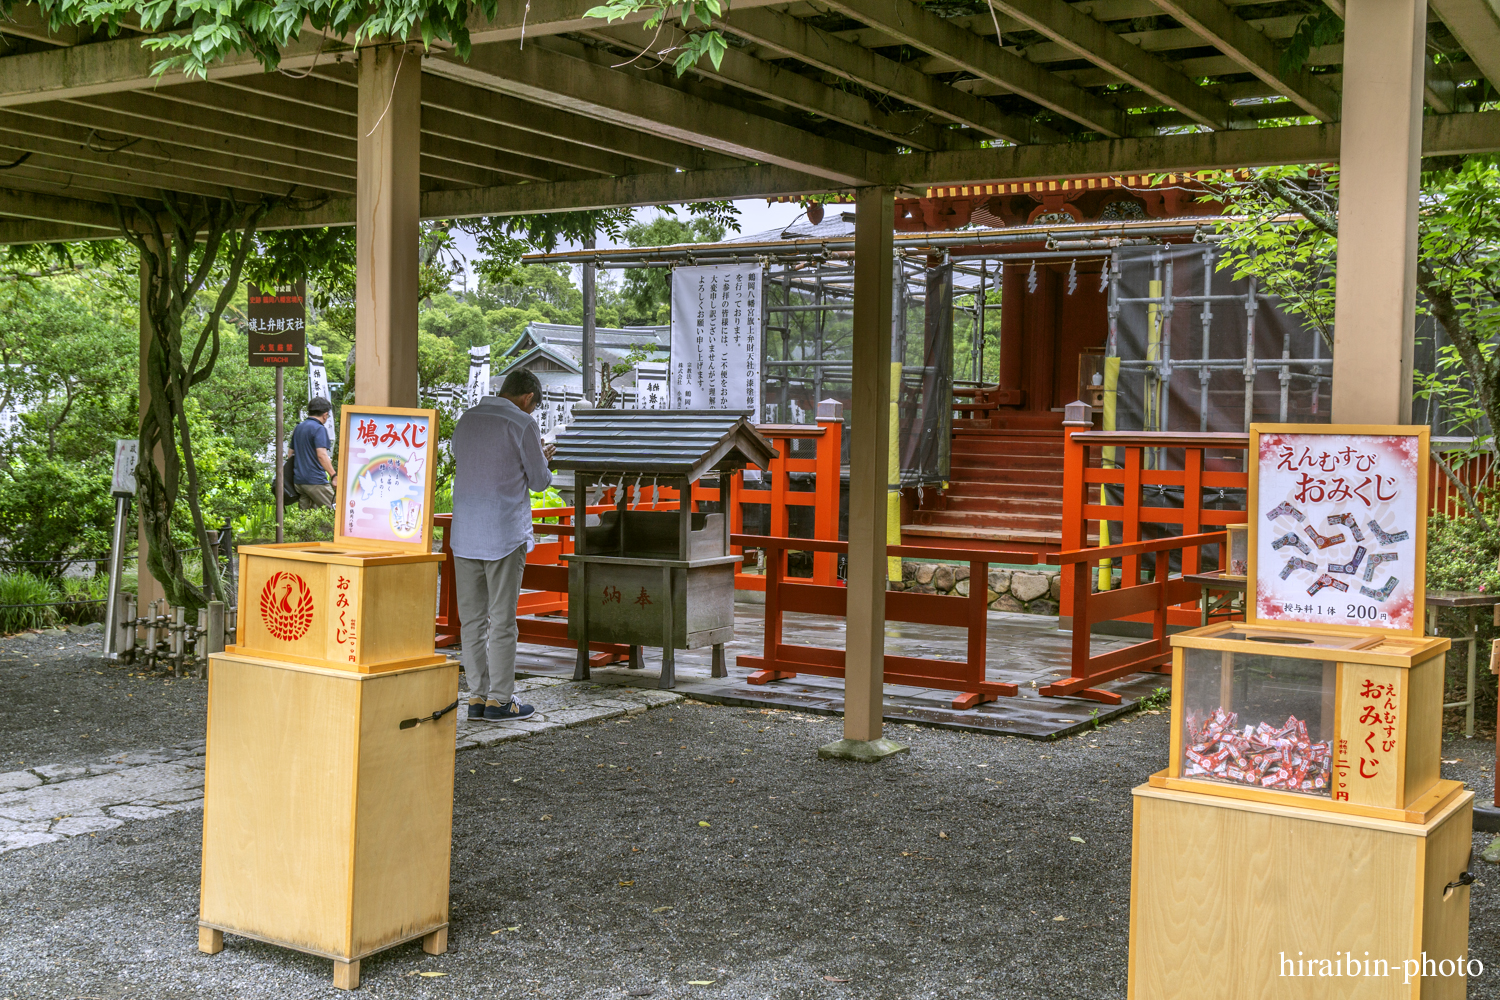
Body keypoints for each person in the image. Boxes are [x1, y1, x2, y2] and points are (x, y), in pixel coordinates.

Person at [451, 369, 555, 721]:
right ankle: (500, 699)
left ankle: (476, 698)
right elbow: (539, 482)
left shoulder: (467, 419)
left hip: (465, 534)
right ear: (528, 399)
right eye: (534, 407)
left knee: (473, 621)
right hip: (503, 534)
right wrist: (545, 458)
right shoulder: (522, 424)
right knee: (503, 621)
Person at [290, 396, 336, 508]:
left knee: (308, 519)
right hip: (315, 481)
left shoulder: (299, 427)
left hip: (299, 482)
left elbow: (290, 454)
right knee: (336, 510)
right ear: (325, 415)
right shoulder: (319, 429)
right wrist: (334, 475)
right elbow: (322, 455)